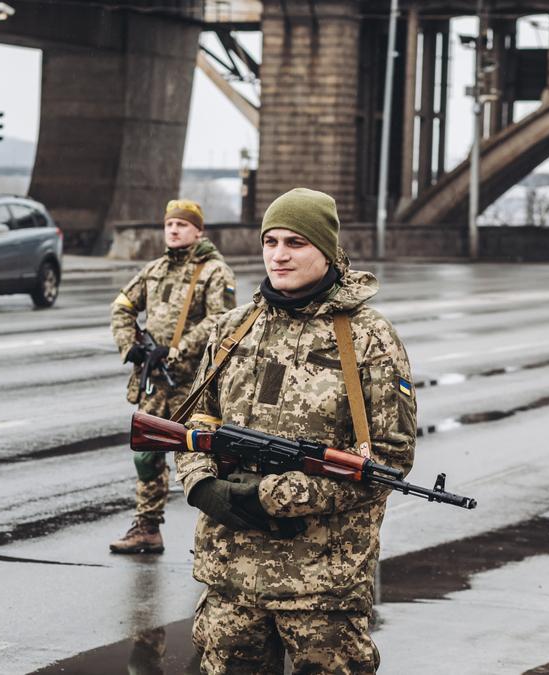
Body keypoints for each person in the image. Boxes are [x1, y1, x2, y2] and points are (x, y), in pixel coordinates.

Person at [176, 188, 417, 673]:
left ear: (326, 251)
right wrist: (202, 485)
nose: (279, 255)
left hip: (322, 586)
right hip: (231, 579)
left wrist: (271, 495)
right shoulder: (232, 328)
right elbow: (195, 424)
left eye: (296, 243)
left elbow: (389, 460)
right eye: (271, 241)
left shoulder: (368, 338)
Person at [109, 199, 237, 554]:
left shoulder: (214, 272)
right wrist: (129, 345)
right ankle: (147, 528)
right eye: (169, 224)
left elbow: (221, 322)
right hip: (157, 381)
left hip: (193, 385)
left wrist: (177, 350)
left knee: (200, 460)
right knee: (146, 455)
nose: (174, 230)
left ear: (199, 230)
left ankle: (215, 536)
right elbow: (122, 306)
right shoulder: (154, 270)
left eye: (182, 224)